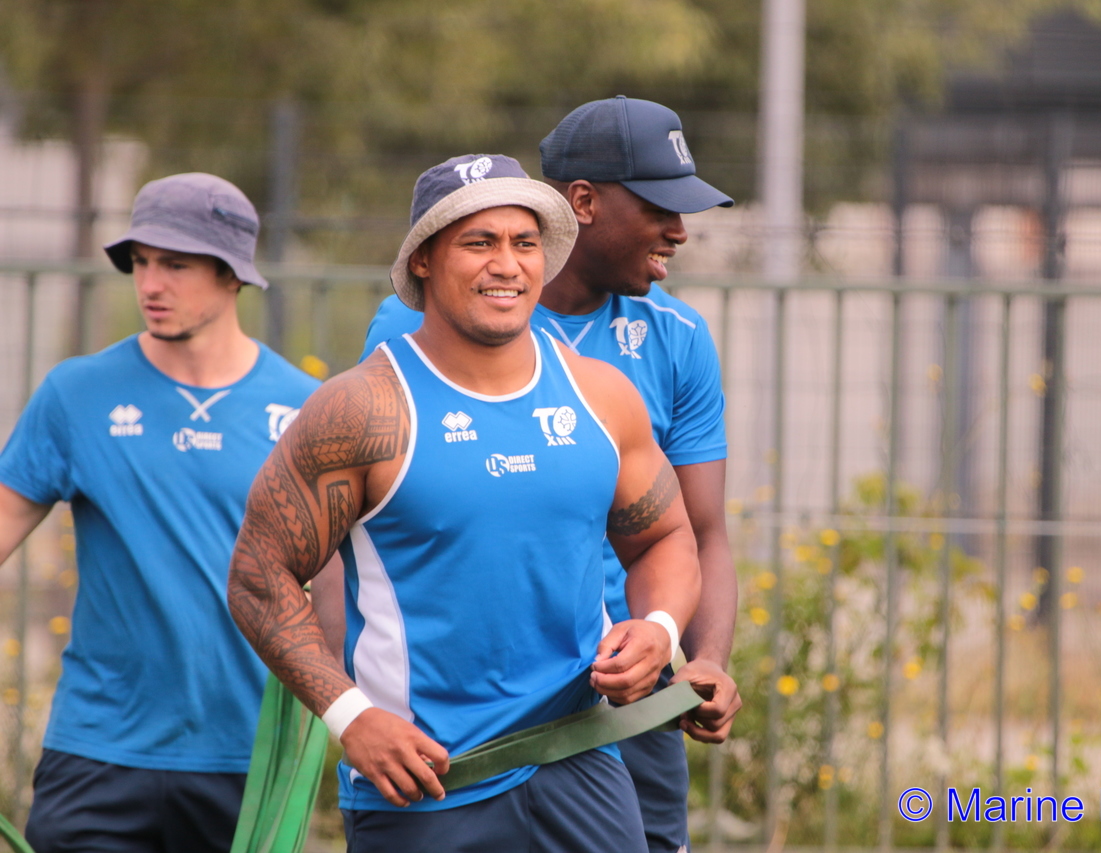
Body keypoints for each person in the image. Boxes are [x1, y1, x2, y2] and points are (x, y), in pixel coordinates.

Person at [227, 154, 702, 852]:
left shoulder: (601, 395)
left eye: (524, 242)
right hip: (427, 785)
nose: (506, 265)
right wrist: (350, 716)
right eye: (479, 242)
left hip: (583, 761)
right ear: (423, 259)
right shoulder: (360, 411)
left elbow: (665, 538)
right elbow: (258, 575)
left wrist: (659, 627)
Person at [358, 96, 740, 853]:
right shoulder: (413, 327)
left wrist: (702, 659)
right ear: (585, 202)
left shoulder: (677, 336)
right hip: (468, 716)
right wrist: (352, 707)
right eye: (658, 205)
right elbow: (356, 528)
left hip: (630, 698)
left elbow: (700, 533)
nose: (679, 229)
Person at [0, 173, 320, 852]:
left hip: (249, 757)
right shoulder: (76, 393)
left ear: (231, 273)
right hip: (98, 748)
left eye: (175, 264)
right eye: (141, 262)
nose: (150, 283)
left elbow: (358, 581)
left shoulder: (305, 409)